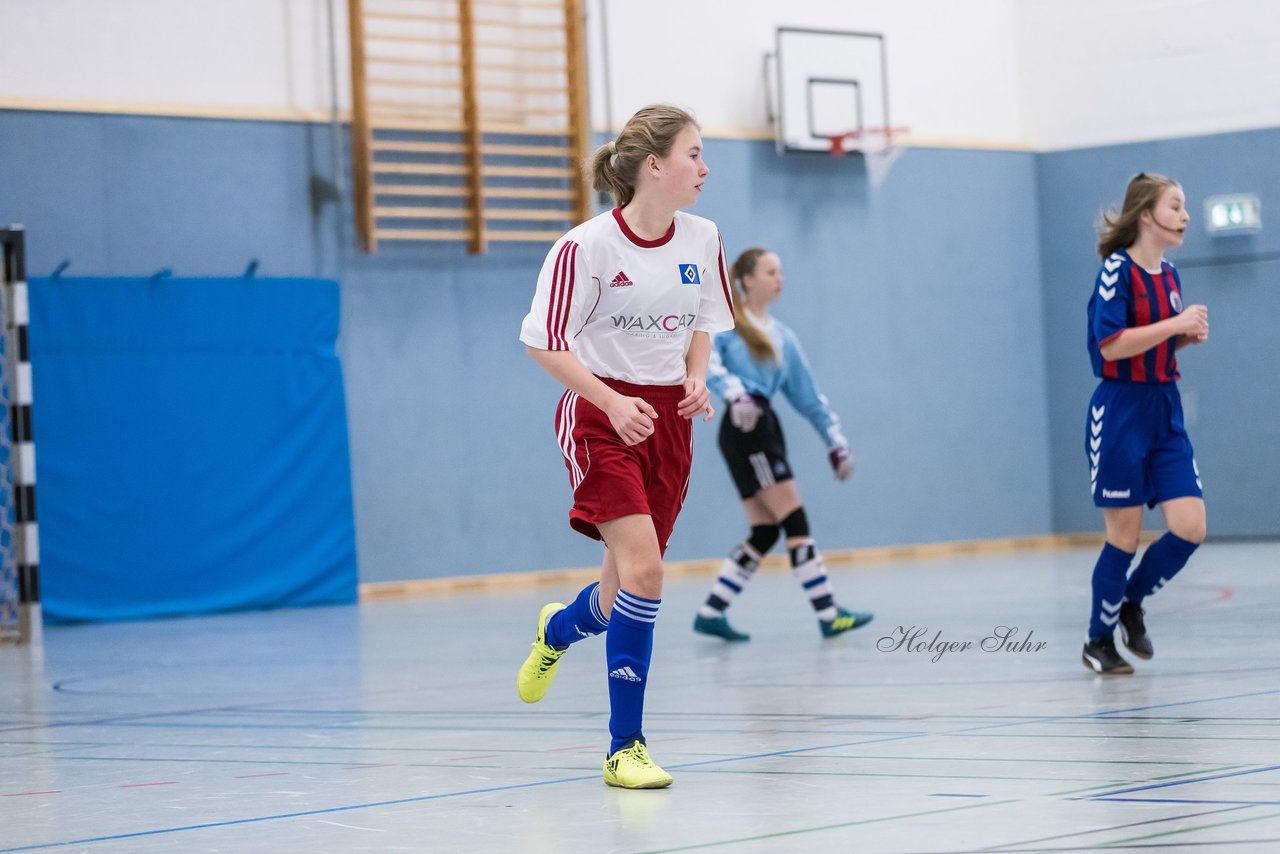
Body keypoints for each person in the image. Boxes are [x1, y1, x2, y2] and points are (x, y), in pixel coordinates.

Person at [514, 105, 735, 788]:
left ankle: (558, 630)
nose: (705, 167)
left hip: (669, 420)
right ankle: (624, 747)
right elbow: (543, 344)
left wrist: (696, 380)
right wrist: (611, 402)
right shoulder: (585, 248)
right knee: (647, 572)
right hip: (599, 413)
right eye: (694, 154)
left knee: (620, 598)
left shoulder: (704, 238)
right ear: (654, 166)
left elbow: (703, 324)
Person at [692, 247, 873, 642]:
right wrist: (734, 394)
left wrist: (834, 441)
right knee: (795, 520)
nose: (780, 279)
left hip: (765, 426)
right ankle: (829, 614)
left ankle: (712, 611)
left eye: (781, 272)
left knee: (766, 530)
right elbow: (707, 364)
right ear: (748, 280)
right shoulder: (726, 326)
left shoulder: (783, 338)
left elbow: (808, 397)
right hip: (745, 428)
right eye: (771, 272)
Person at [1082, 172, 1208, 675]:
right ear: (1145, 215)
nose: (1185, 216)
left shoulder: (1171, 275)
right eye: (1176, 206)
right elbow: (1112, 346)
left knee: (1190, 527)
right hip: (1120, 413)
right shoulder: (1116, 270)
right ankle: (1097, 639)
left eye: (1185, 207)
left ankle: (1131, 602)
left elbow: (1152, 341)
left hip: (1165, 410)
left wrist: (1182, 339)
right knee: (1125, 536)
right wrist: (1174, 326)